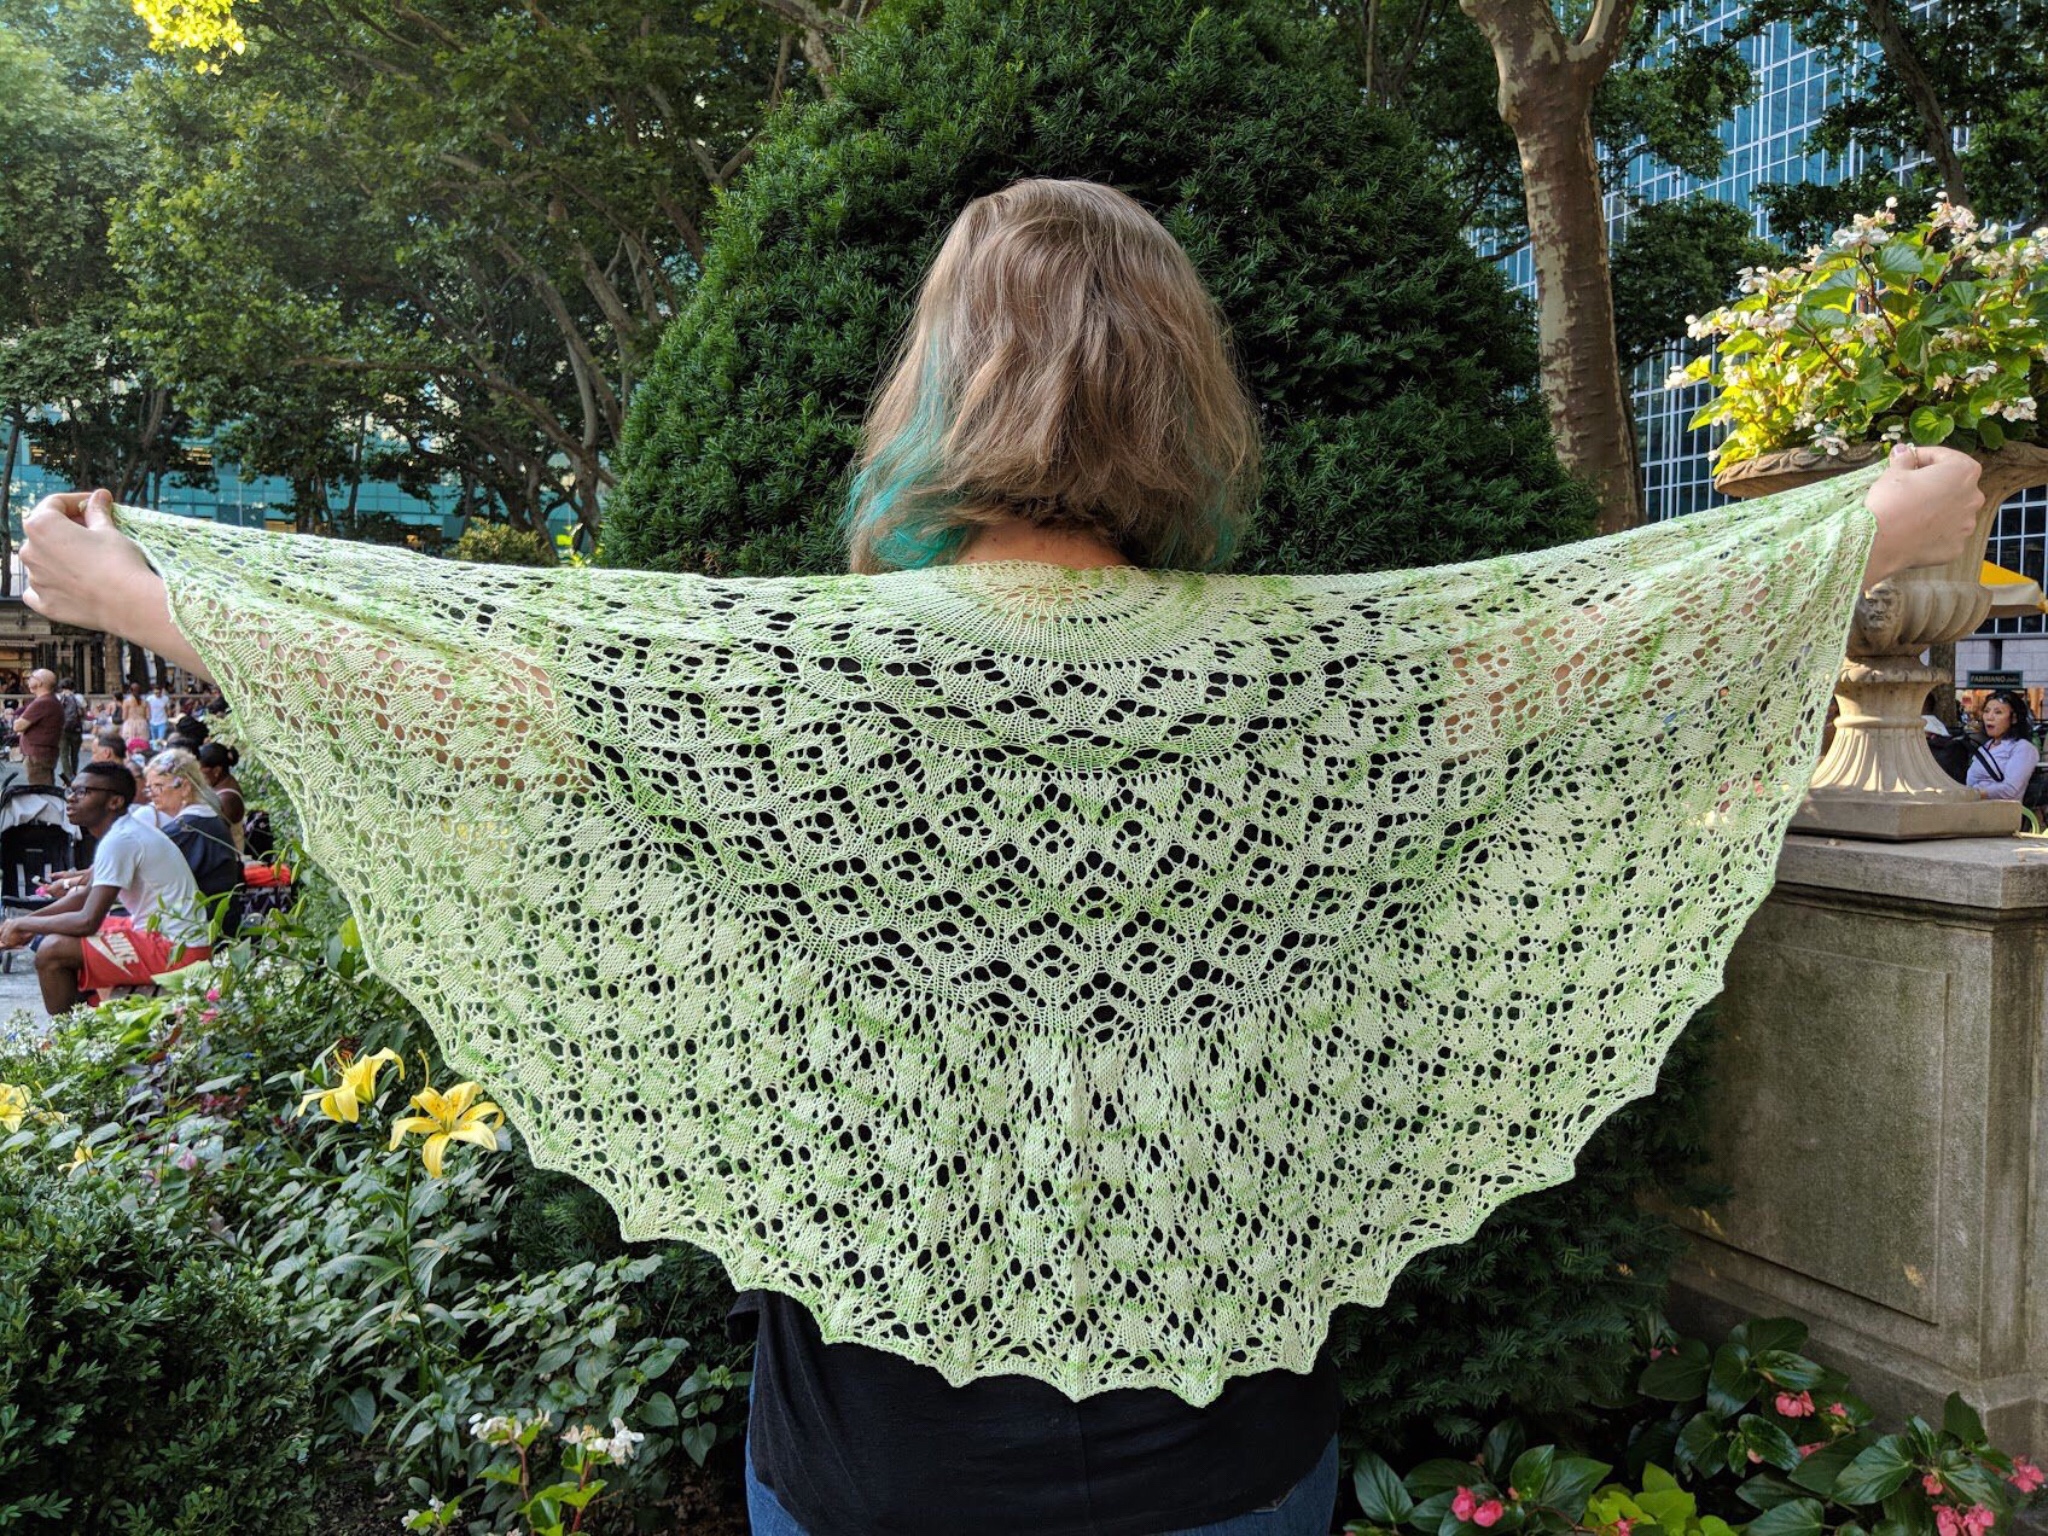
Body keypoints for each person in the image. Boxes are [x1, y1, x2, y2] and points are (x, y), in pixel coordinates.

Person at [14, 180, 1988, 1536]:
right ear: (1183, 399)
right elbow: (1661, 617)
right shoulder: (1332, 683)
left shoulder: (775, 680)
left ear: (936, 397)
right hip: (1226, 1459)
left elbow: (436, 688)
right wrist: (1886, 518)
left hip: (870, 1462)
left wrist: (131, 581)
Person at [0, 761, 210, 1014]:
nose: (71, 799)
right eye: (71, 790)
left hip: (178, 952)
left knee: (52, 951)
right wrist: (22, 922)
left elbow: (87, 920)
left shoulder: (121, 840)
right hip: (171, 941)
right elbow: (83, 897)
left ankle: (68, 1039)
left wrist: (23, 925)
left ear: (114, 802)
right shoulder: (122, 832)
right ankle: (88, 1019)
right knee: (58, 936)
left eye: (83, 792)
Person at [141, 746, 243, 936]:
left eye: (159, 786)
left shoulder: (189, 828)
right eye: (150, 788)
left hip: (202, 932)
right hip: (211, 924)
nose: (153, 793)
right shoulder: (201, 819)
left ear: (186, 787)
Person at [1967, 689, 2039, 803]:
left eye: (1998, 712)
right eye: (1986, 711)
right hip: (1972, 806)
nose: (1989, 717)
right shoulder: (1984, 748)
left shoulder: (2023, 748)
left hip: (2001, 812)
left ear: (2014, 718)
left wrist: (1975, 793)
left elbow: (2010, 789)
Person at [10, 669, 64, 786]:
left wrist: (18, 720)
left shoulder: (42, 702)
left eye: (32, 677)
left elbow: (18, 726)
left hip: (38, 755)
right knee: (44, 788)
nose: (28, 680)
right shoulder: (50, 700)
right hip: (43, 753)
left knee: (40, 792)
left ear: (40, 683)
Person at [197, 741, 246, 850]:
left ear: (217, 770)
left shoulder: (228, 798)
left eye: (201, 772)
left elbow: (216, 834)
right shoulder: (221, 784)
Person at [55, 676, 84, 784]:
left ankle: (68, 777)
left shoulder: (58, 697)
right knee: (75, 754)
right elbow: (82, 713)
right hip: (76, 729)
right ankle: (74, 774)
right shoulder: (79, 698)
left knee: (63, 754)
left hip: (62, 729)